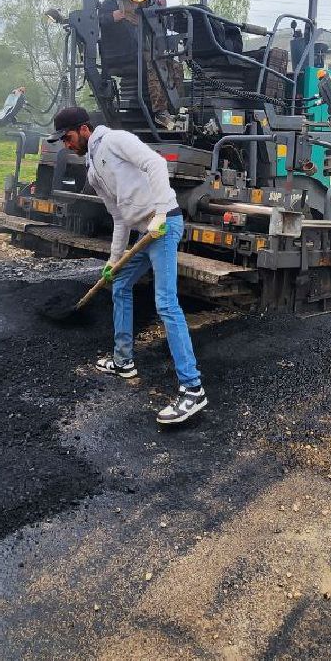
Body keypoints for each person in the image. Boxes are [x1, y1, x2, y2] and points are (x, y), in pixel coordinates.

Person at [50, 105, 206, 425]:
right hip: (142, 233)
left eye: (66, 138)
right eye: (61, 141)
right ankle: (124, 362)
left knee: (166, 303)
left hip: (164, 226)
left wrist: (162, 212)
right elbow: (119, 217)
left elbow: (155, 163)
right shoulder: (93, 172)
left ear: (83, 129)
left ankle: (193, 390)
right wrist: (113, 261)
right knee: (119, 283)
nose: (66, 144)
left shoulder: (116, 140)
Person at [100, 0, 178, 128]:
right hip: (119, 54)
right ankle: (160, 112)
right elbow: (98, 21)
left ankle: (174, 108)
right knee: (155, 62)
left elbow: (166, 27)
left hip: (139, 52)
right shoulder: (113, 3)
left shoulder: (145, 5)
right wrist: (114, 16)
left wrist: (162, 9)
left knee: (174, 64)